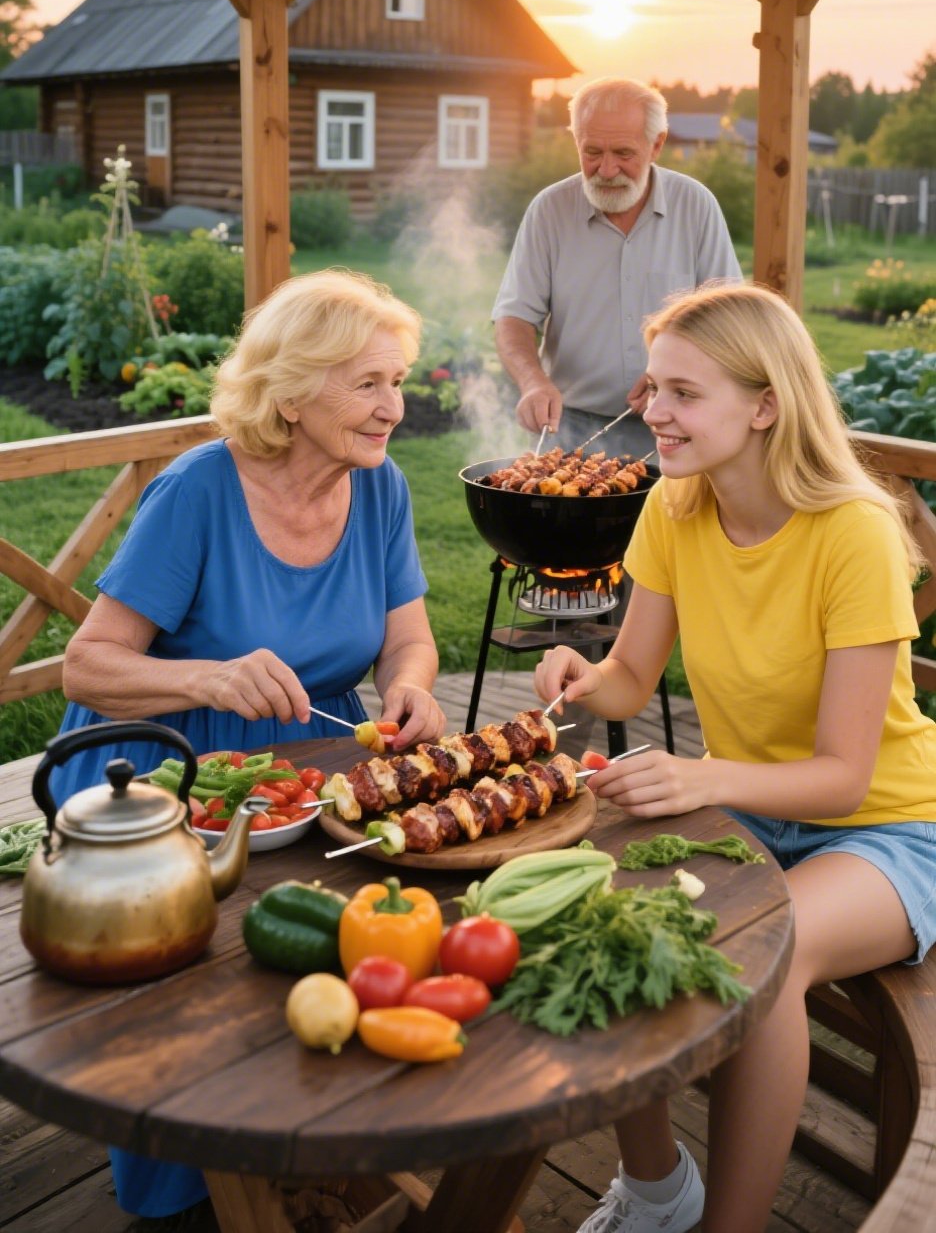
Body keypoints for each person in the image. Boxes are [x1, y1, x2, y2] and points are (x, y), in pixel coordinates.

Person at [534, 282, 936, 1233]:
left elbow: (842, 772)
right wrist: (586, 676)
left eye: (683, 393)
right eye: (652, 388)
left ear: (765, 405)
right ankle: (658, 1190)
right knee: (610, 914)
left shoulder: (856, 534)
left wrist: (702, 776)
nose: (653, 413)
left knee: (772, 947)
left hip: (888, 826)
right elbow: (634, 674)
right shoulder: (675, 509)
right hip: (750, 811)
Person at [57, 267, 445, 1229]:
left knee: (367, 930)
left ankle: (326, 1131)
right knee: (202, 980)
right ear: (294, 387)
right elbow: (87, 665)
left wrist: (412, 687)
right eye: (368, 384)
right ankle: (193, 1181)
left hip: (313, 761)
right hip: (169, 761)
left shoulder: (379, 484)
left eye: (398, 381)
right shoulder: (200, 489)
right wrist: (211, 676)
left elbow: (410, 637)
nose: (394, 407)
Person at [492, 78, 741, 461]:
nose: (606, 169)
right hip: (568, 426)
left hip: (676, 423)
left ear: (657, 144)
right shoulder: (549, 211)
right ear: (576, 141)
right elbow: (514, 316)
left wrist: (672, 375)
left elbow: (729, 318)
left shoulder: (696, 205)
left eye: (624, 152)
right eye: (592, 151)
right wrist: (532, 382)